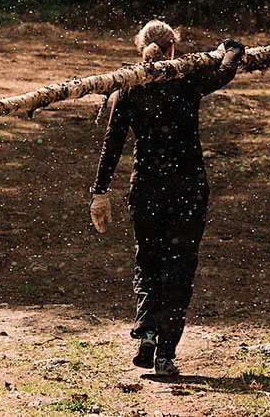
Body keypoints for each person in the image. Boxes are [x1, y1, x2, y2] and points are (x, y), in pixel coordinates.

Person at [89, 20, 245, 377]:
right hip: (187, 189)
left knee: (148, 261)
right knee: (179, 268)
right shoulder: (187, 79)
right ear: (174, 47)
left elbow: (112, 145)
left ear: (138, 48)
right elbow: (224, 73)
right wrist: (233, 48)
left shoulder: (127, 89)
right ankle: (165, 354)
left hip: (146, 189)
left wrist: (99, 192)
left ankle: (146, 331)